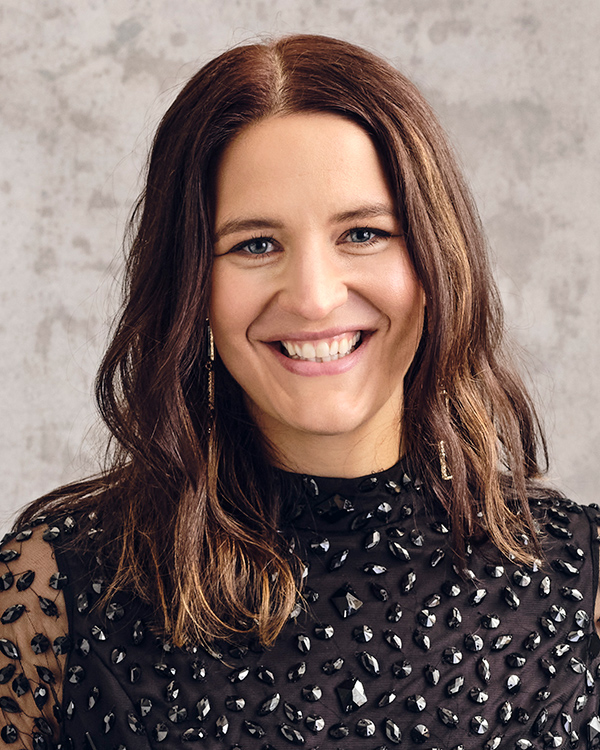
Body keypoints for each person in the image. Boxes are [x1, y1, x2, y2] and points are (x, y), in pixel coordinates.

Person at [0, 34, 598, 750]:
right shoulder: (54, 591)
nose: (315, 299)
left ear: (440, 258)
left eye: (365, 233)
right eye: (255, 244)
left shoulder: (583, 584)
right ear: (189, 285)